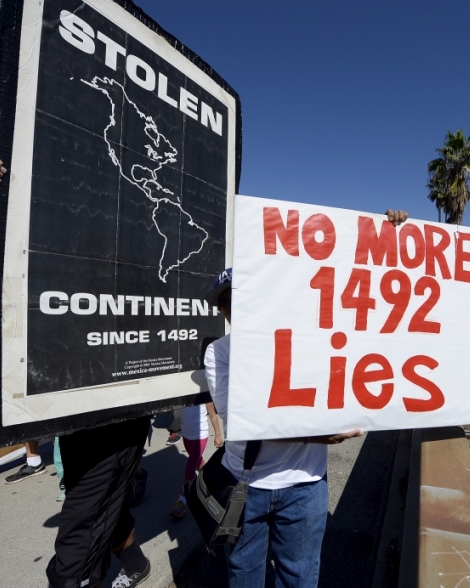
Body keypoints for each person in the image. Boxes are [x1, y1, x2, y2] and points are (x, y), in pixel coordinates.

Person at [0, 150, 152, 588]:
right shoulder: (47, 252)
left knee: (80, 525)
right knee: (101, 500)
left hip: (121, 416)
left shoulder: (137, 263)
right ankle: (137, 565)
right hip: (69, 412)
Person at [203, 212, 406, 587]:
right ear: (223, 312)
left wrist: (389, 236)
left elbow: (361, 308)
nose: (237, 308)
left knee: (300, 580)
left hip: (306, 487)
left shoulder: (313, 340)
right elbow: (243, 419)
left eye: (245, 297)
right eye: (228, 303)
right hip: (245, 486)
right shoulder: (219, 353)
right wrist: (315, 436)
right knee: (243, 578)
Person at [169, 400, 223, 517]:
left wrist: (218, 435)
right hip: (186, 436)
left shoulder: (204, 397)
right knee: (199, 463)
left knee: (189, 471)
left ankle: (182, 502)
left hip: (200, 437)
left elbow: (213, 415)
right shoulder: (185, 394)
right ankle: (212, 485)